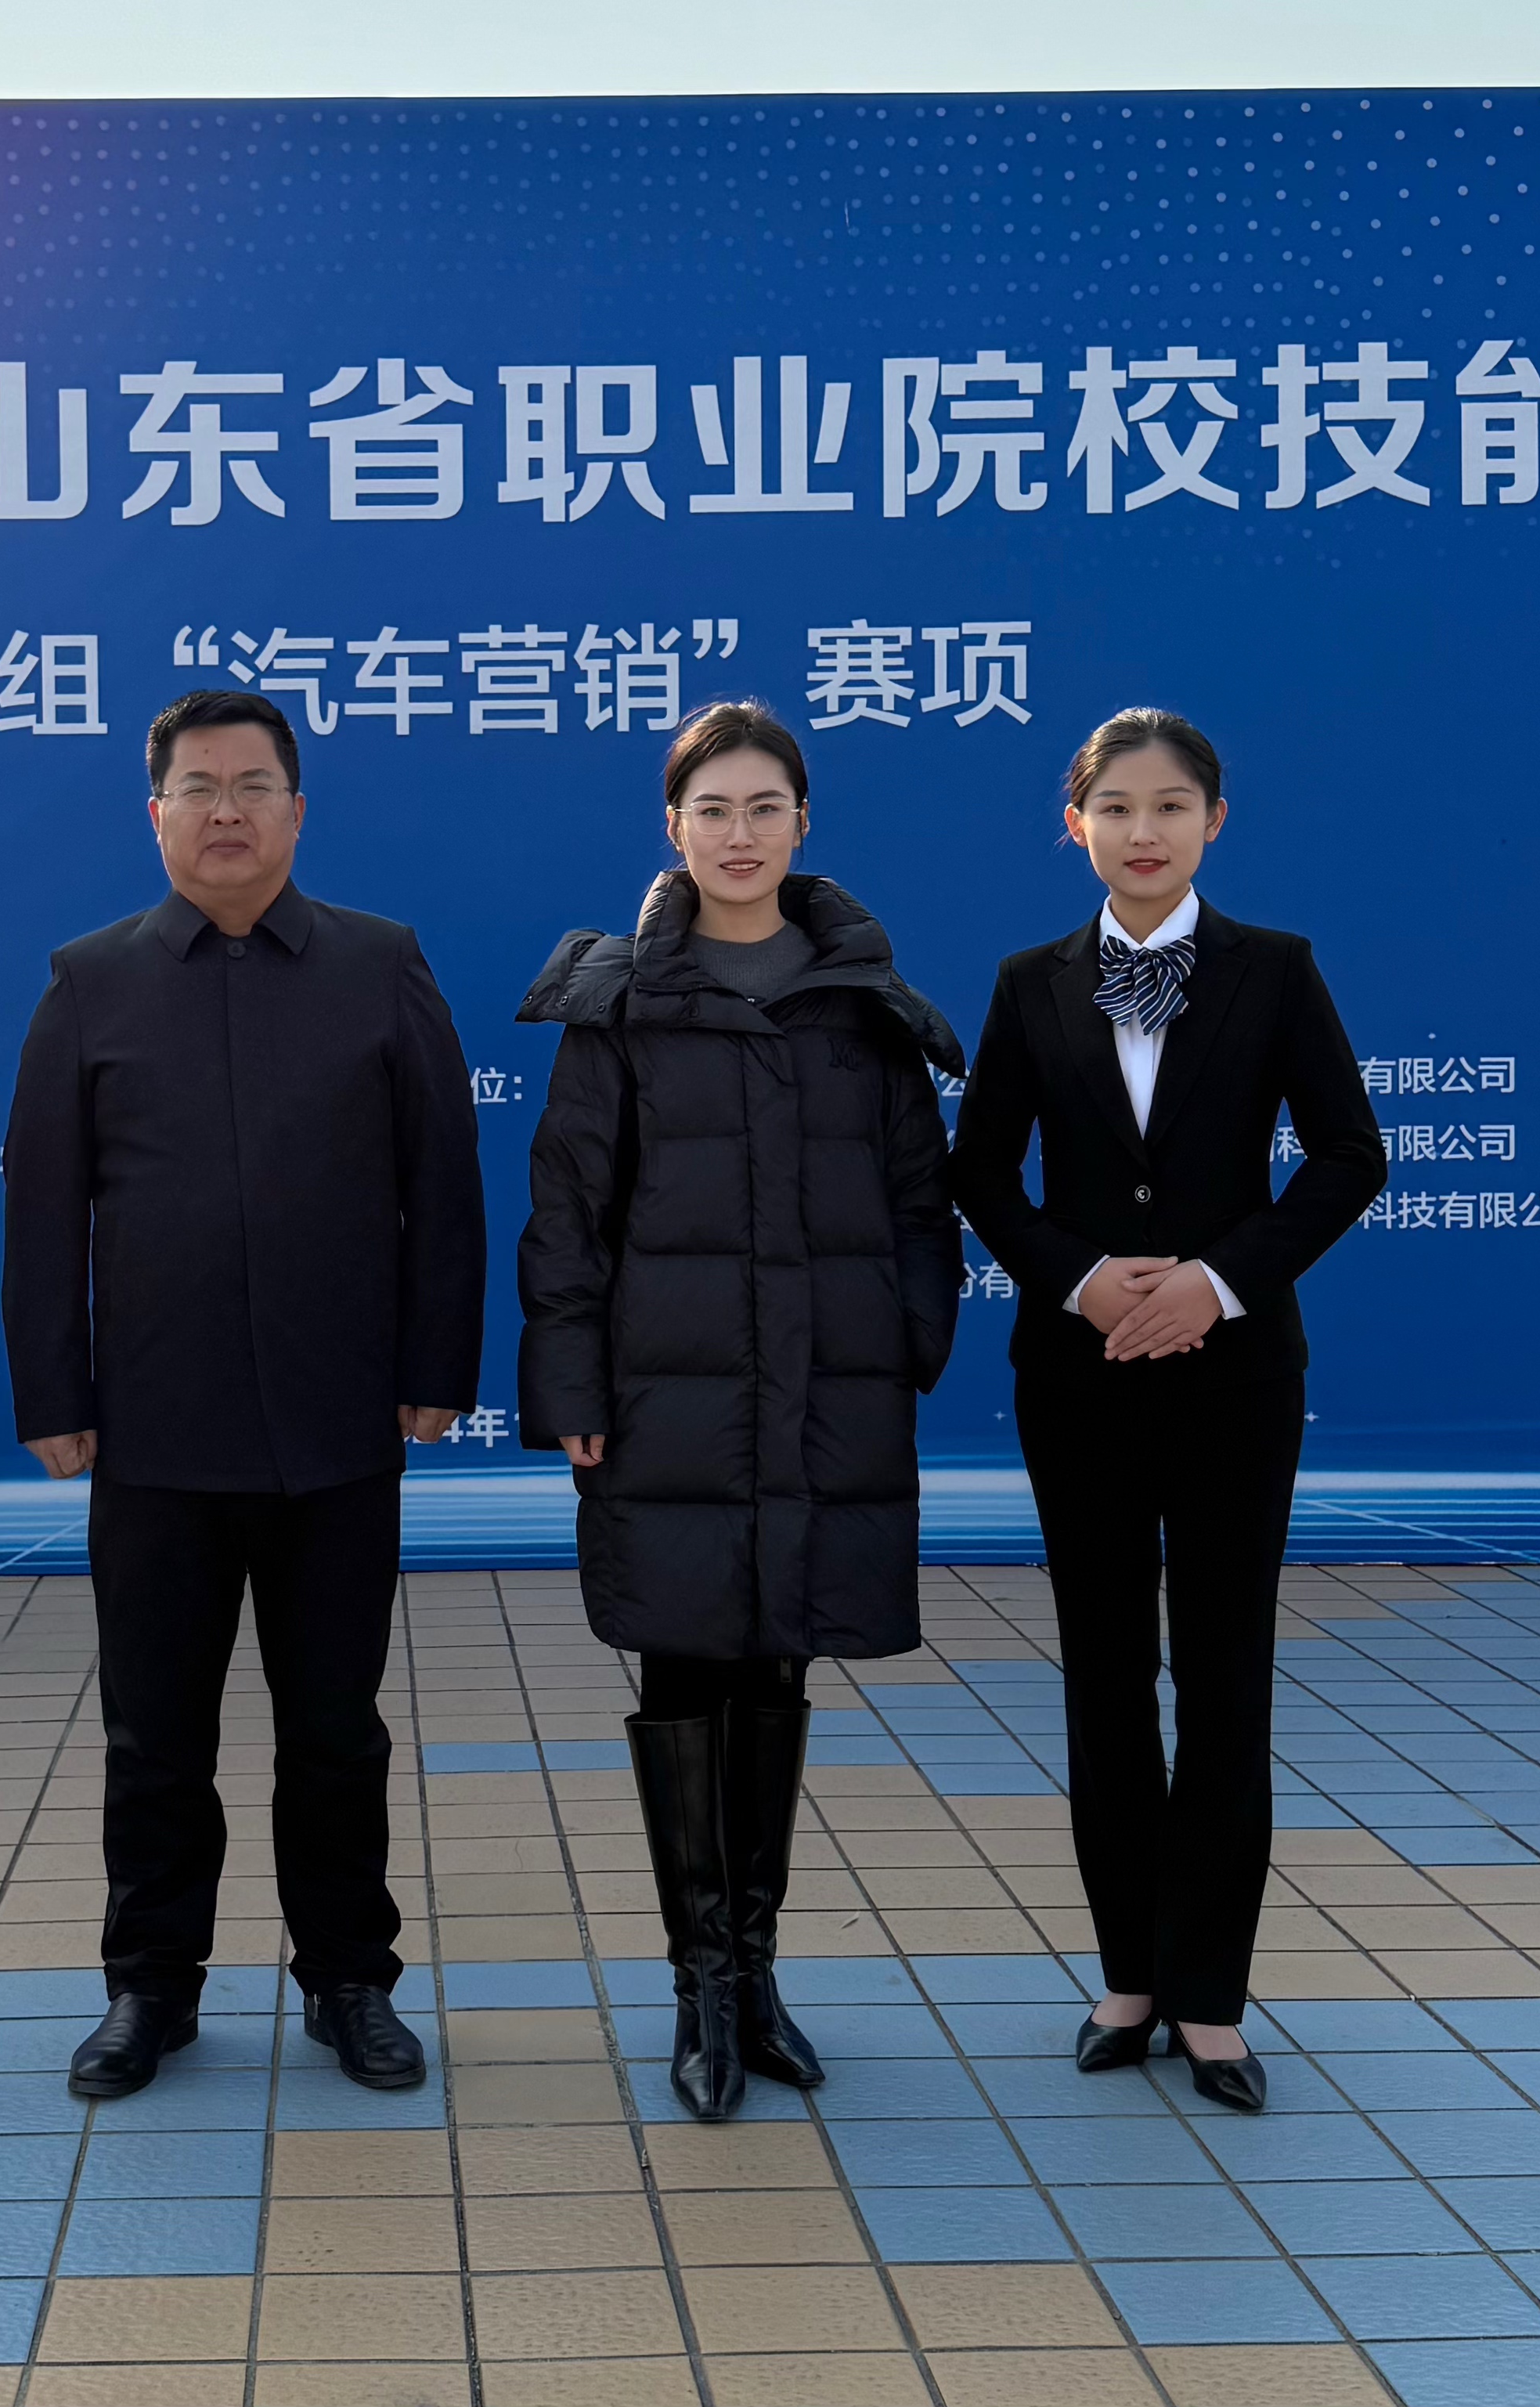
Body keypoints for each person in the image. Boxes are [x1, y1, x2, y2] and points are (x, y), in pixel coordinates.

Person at [3, 689, 485, 2100]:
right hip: (155, 1430)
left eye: (253, 785)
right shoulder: (88, 980)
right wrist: (54, 1389)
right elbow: (44, 1213)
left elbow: (442, 1183)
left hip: (339, 1425)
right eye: (199, 787)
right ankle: (149, 1985)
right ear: (155, 813)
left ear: (295, 809)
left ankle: (349, 1979)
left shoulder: (379, 964)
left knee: (334, 1727)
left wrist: (435, 1369)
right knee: (155, 1734)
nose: (226, 810)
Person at [517, 702, 965, 2121]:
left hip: (825, 1394)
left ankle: (757, 1977)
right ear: (673, 827)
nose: (739, 833)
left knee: (779, 1667)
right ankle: (698, 1985)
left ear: (802, 823)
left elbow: (919, 1202)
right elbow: (566, 1212)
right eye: (712, 808)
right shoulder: (618, 1004)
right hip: (670, 1397)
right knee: (681, 1669)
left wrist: (903, 1345)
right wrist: (571, 1385)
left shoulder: (863, 1006)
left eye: (765, 806)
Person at [944, 709, 1385, 2114]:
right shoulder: (1028, 982)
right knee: (1103, 1674)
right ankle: (1127, 1974)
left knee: (1224, 1674)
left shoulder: (1274, 969)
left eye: (1171, 806)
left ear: (1213, 821)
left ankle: (1210, 1996)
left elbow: (1348, 1156)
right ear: (1073, 823)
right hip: (1077, 1379)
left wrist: (1217, 1281)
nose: (1144, 831)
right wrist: (1078, 1281)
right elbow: (979, 1171)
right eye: (1117, 807)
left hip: (1233, 1380)